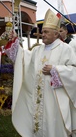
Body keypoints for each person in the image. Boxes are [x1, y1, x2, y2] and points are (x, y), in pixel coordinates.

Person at [5, 9, 76, 137]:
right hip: (38, 99)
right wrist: (14, 41)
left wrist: (56, 70)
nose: (42, 34)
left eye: (46, 32)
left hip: (55, 101)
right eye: (42, 32)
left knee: (53, 126)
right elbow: (23, 59)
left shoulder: (65, 49)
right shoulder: (38, 50)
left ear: (56, 34)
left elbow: (74, 71)